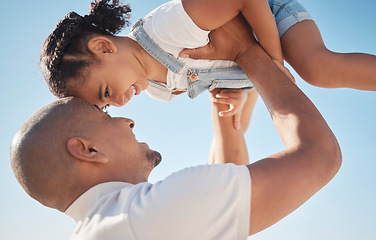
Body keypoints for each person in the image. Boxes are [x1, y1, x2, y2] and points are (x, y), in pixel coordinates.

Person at [12, 17, 341, 239]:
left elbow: (227, 188)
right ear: (87, 150)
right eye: (105, 116)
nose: (127, 119)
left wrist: (225, 117)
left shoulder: (110, 225)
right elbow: (319, 157)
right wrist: (247, 54)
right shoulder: (142, 217)